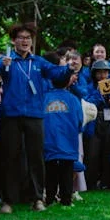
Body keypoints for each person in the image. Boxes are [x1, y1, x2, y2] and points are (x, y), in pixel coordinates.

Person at [0, 23, 78, 213]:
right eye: (21, 38)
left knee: (36, 157)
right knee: (10, 157)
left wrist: (69, 68)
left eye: (28, 38)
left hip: (35, 115)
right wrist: (3, 65)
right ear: (13, 40)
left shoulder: (39, 62)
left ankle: (37, 199)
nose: (25, 41)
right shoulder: (8, 60)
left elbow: (56, 73)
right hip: (11, 115)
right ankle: (8, 200)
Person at [42, 61, 83, 207]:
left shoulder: (44, 98)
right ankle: (66, 199)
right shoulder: (73, 99)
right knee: (67, 171)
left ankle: (50, 198)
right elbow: (80, 120)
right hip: (68, 141)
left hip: (49, 141)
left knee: (51, 171)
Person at [83, 60, 110, 190]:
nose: (103, 75)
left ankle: (107, 182)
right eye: (99, 73)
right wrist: (99, 93)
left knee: (109, 151)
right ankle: (91, 183)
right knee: (93, 153)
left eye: (105, 72)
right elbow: (87, 101)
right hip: (95, 120)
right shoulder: (89, 87)